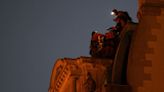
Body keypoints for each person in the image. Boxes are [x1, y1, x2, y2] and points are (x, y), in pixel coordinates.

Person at [111, 9, 138, 84]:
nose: (118, 22)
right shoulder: (120, 17)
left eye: (118, 20)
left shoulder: (121, 15)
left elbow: (123, 19)